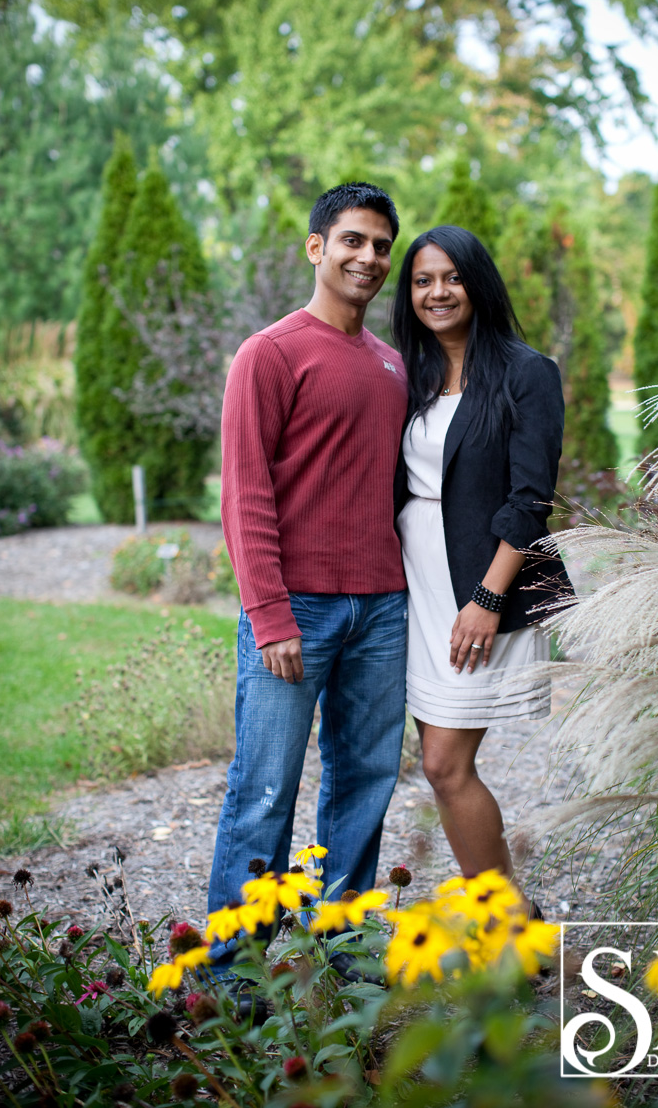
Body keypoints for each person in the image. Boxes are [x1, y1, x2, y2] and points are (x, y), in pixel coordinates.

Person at [207, 182, 408, 981]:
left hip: (382, 611)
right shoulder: (271, 353)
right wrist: (270, 615)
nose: (370, 258)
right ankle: (233, 978)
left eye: (382, 246)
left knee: (364, 786)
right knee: (262, 793)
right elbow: (245, 494)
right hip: (297, 612)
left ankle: (346, 959)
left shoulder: (393, 365)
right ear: (316, 248)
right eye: (354, 240)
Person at [391, 225, 571, 901]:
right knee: (440, 768)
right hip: (417, 584)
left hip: (482, 583)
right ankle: (513, 927)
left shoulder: (527, 372)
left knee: (444, 763)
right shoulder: (410, 374)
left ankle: (508, 926)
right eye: (422, 280)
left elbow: (531, 498)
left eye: (452, 277)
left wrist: (488, 599)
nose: (438, 292)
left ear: (478, 282)